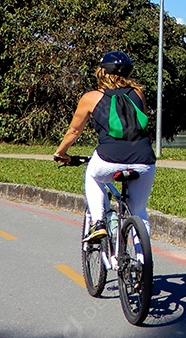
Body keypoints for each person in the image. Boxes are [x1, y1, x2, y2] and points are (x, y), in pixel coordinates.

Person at [54, 51, 156, 242]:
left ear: (101, 71)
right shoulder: (138, 94)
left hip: (109, 158)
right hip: (144, 159)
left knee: (93, 175)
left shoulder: (91, 97)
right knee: (140, 210)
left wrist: (61, 152)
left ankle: (98, 222)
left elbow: (74, 131)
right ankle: (143, 264)